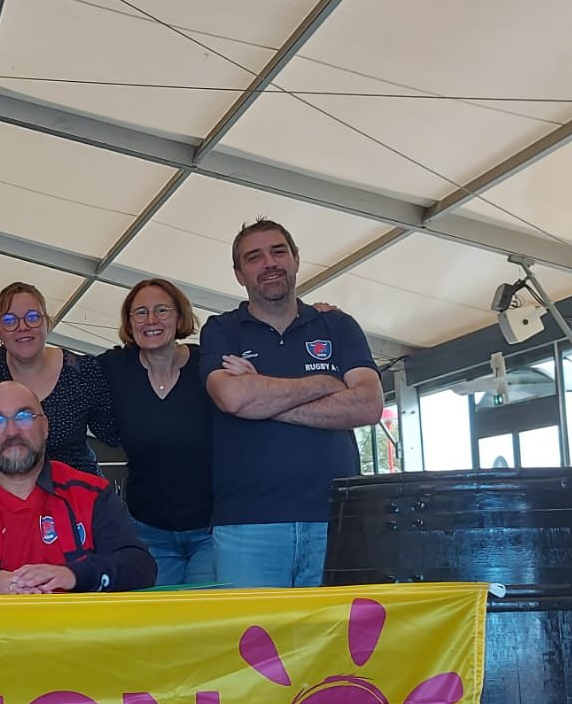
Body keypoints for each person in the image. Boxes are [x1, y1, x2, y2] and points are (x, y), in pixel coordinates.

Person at [203, 218, 383, 588]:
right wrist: (325, 383)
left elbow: (367, 405)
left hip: (335, 520)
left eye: (278, 251)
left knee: (332, 644)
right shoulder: (222, 330)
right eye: (254, 257)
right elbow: (233, 398)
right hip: (247, 528)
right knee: (252, 643)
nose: (269, 262)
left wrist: (262, 396)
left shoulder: (338, 326)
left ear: (297, 259)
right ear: (239, 274)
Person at [0, 381, 155, 594]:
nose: (11, 431)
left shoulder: (90, 493)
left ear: (45, 427)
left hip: (74, 638)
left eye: (24, 416)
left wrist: (72, 575)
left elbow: (139, 566)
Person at [94, 278, 216, 586]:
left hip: (212, 531)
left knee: (206, 623)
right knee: (164, 626)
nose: (151, 320)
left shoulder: (208, 363)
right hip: (148, 530)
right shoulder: (113, 367)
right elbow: (55, 367)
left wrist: (314, 317)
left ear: (179, 317)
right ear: (129, 322)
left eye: (162, 310)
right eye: (140, 312)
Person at [0, 281, 115, 474]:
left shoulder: (83, 371)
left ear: (47, 323)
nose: (22, 326)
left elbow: (112, 433)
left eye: (33, 317)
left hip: (76, 491)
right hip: (11, 495)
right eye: (10, 320)